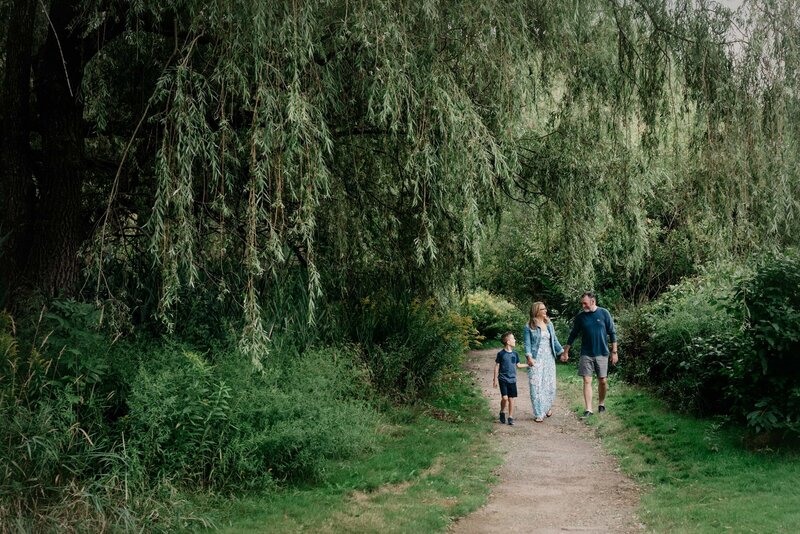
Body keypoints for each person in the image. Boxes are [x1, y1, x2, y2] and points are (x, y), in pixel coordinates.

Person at [561, 292, 618, 417]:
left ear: (593, 301)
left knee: (602, 380)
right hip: (586, 353)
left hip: (602, 353)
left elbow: (612, 333)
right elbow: (573, 334)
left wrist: (614, 352)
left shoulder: (604, 313)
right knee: (587, 380)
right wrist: (566, 351)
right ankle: (588, 409)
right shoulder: (581, 317)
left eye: (585, 303)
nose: (583, 306)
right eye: (582, 303)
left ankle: (601, 404)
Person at [523, 301, 565, 422]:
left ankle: (546, 407)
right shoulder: (529, 326)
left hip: (549, 359)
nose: (545, 311)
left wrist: (562, 352)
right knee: (535, 385)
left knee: (549, 385)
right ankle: (538, 413)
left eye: (545, 309)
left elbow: (555, 340)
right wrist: (529, 357)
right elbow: (527, 344)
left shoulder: (549, 324)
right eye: (543, 309)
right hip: (536, 359)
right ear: (536, 311)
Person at [493, 331, 525, 426]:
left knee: (511, 399)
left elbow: (518, 365)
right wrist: (495, 379)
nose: (515, 340)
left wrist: (529, 364)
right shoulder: (501, 354)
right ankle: (502, 411)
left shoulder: (515, 354)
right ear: (508, 341)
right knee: (505, 398)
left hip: (512, 380)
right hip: (503, 379)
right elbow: (497, 366)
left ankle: (510, 417)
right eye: (513, 338)